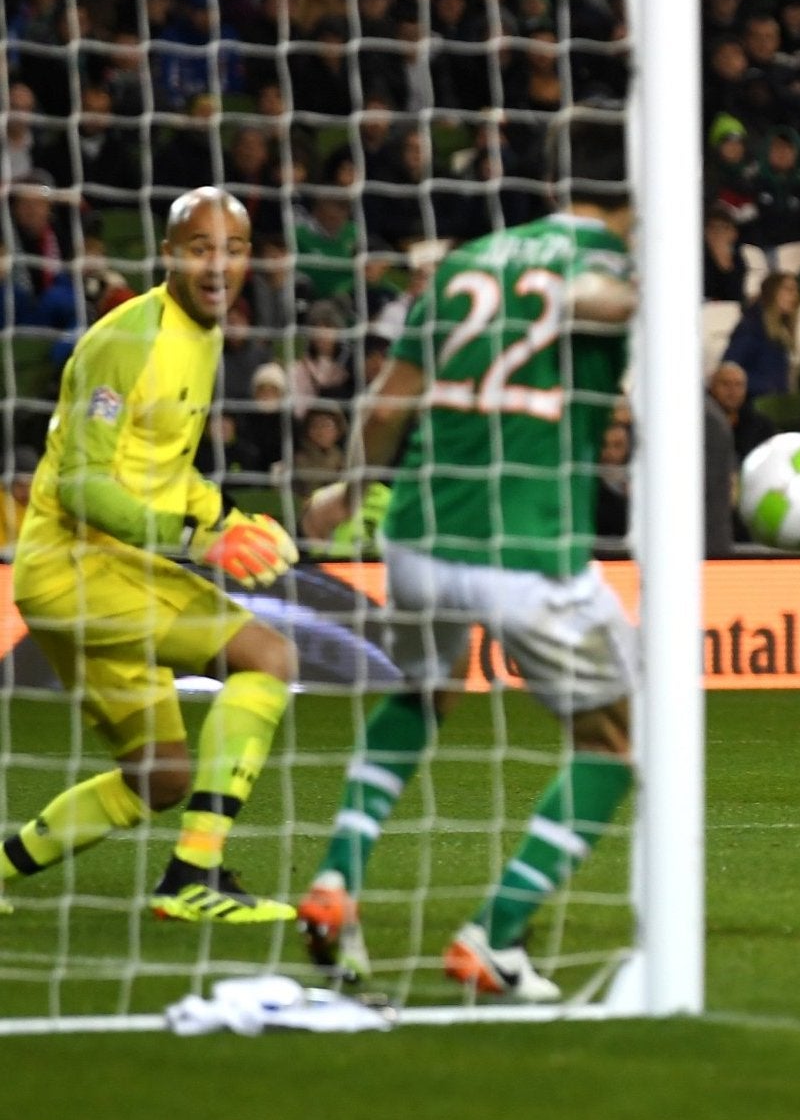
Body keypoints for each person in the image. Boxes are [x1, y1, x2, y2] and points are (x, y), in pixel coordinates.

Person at [292, 112, 641, 1001]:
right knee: (614, 747)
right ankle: (495, 934)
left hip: (414, 535)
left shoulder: (464, 263)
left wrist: (343, 491)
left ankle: (336, 877)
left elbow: (387, 405)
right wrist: (602, 298)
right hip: (525, 546)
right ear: (638, 192)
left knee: (423, 690)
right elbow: (608, 298)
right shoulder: (607, 260)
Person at [0, 188, 301, 925]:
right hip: (80, 570)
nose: (218, 265)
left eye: (232, 249)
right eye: (201, 248)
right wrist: (201, 540)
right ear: (168, 254)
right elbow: (80, 486)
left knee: (158, 779)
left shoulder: (202, 335)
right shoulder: (128, 340)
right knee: (269, 657)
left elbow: (160, 465)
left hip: (91, 580)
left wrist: (228, 517)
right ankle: (193, 875)